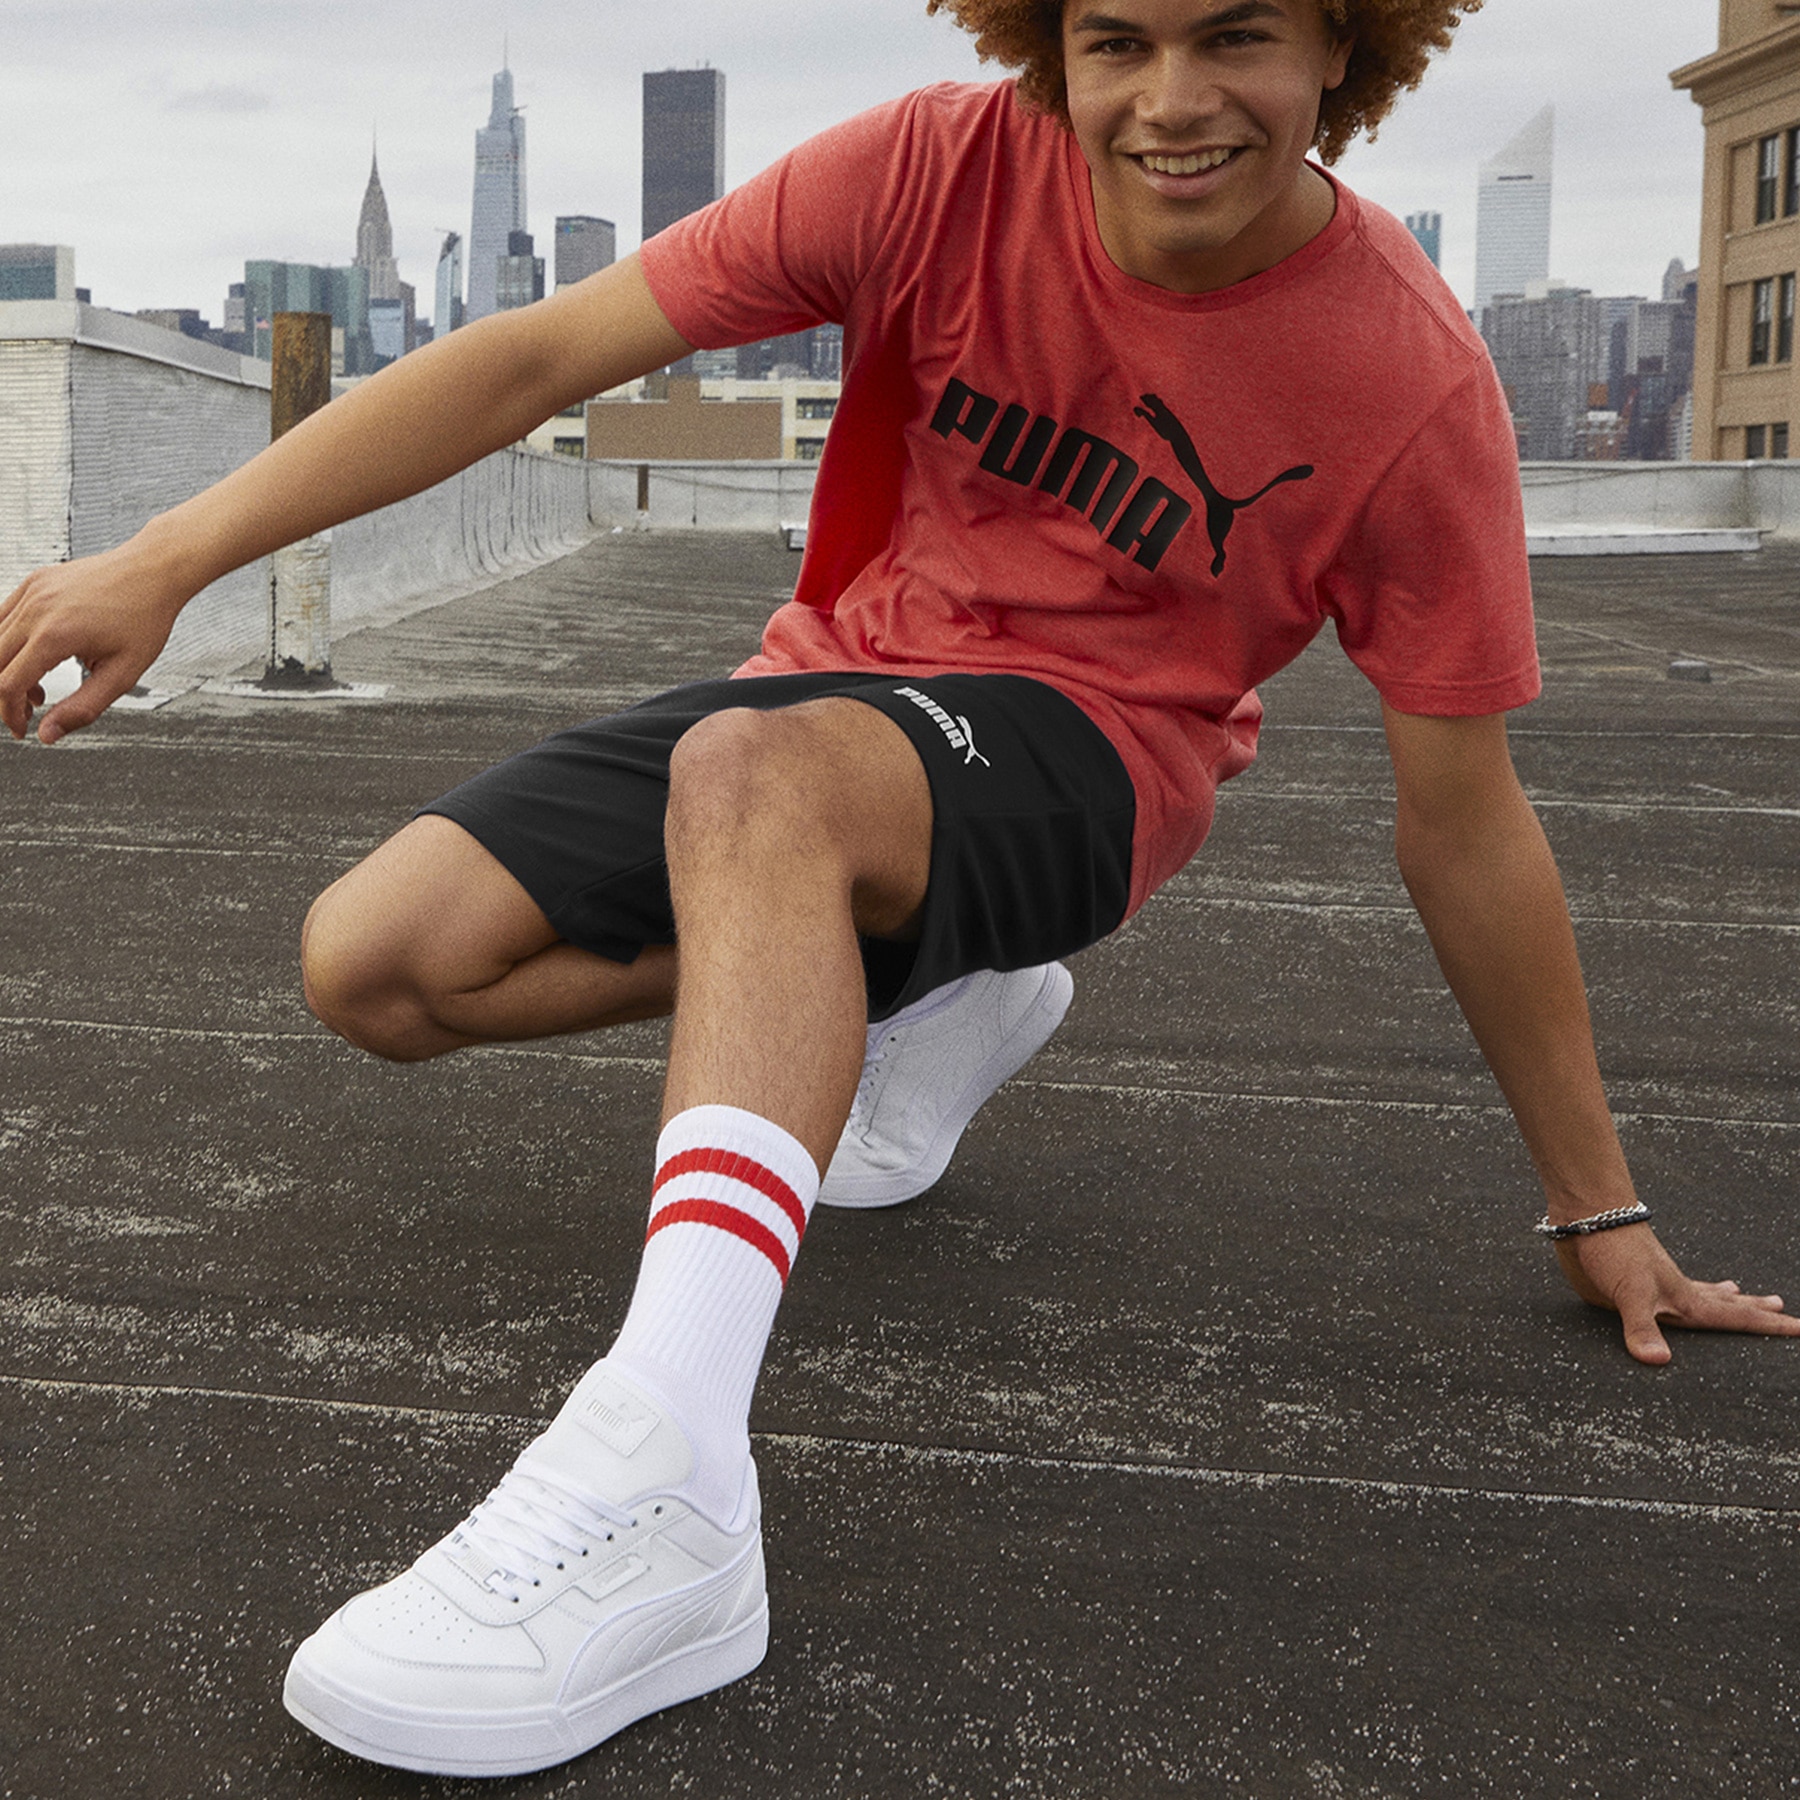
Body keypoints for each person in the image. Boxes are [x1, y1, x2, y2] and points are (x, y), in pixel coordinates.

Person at [3, 0, 1795, 1779]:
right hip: (833, 694)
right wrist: (170, 556)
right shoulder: (936, 169)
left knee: (754, 778)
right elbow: (540, 356)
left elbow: (1464, 821)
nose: (1172, 102)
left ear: (1344, 46)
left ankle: (666, 1478)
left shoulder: (1408, 376)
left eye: (1237, 38)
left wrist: (1598, 1205)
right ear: (1051, 46)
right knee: (378, 966)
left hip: (1100, 759)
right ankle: (926, 976)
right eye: (1118, 43)